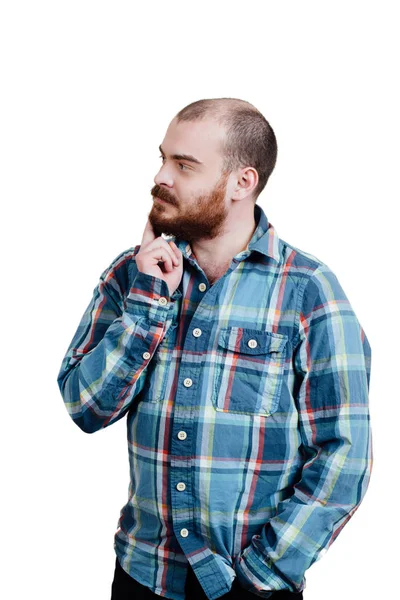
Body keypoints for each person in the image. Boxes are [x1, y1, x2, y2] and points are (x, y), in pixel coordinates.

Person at [56, 97, 373, 600]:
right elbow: (84, 407)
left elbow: (344, 455)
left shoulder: (309, 291)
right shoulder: (130, 276)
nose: (161, 176)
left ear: (242, 183)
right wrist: (146, 306)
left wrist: (265, 573)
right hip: (142, 577)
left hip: (250, 586)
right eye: (162, 158)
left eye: (184, 166)